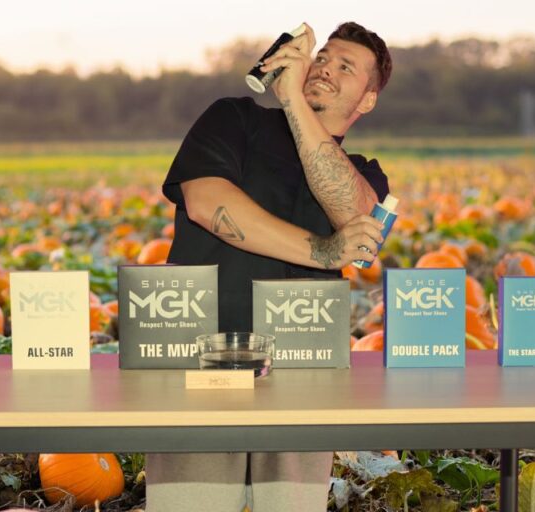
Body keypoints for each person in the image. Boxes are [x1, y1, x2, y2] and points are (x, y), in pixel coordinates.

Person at [147, 21, 394, 512]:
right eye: (322, 57)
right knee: (190, 505)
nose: (325, 67)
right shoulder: (234, 119)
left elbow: (357, 219)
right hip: (207, 350)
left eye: (346, 67)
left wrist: (297, 105)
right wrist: (325, 250)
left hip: (307, 365)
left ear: (366, 101)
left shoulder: (365, 173)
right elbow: (207, 204)